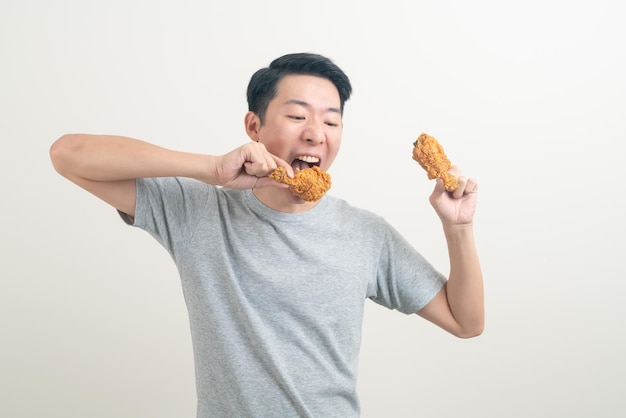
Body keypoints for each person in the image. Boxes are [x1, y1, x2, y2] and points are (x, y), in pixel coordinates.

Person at [50, 52, 483, 418]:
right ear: (253, 127)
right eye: (297, 116)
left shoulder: (366, 234)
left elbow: (466, 321)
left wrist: (457, 227)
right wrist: (211, 170)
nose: (315, 132)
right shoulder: (199, 210)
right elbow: (68, 155)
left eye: (332, 122)